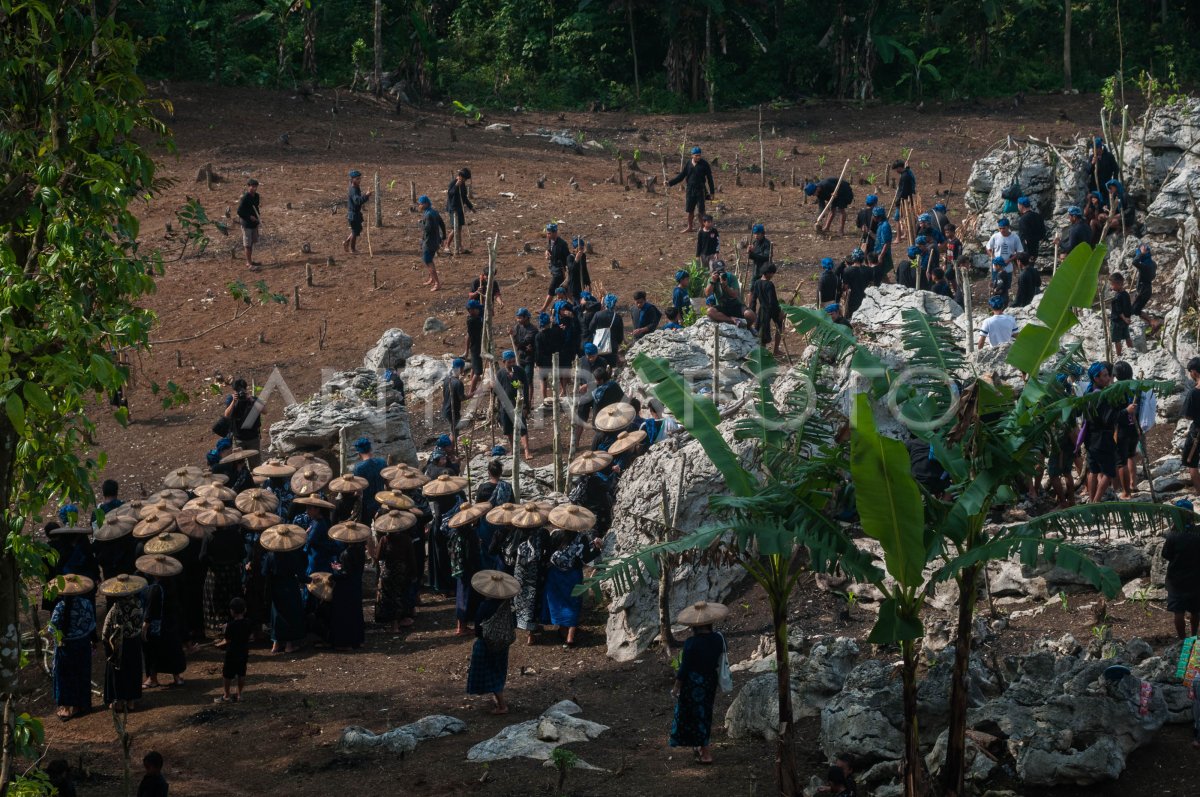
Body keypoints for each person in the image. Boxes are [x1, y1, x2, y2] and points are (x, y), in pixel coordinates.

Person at [669, 600, 729, 765]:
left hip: (693, 683)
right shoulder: (718, 639)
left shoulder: (691, 643)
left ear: (693, 625)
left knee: (694, 716)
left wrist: (676, 687)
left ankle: (705, 753)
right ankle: (701, 747)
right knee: (705, 714)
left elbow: (684, 668)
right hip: (710, 681)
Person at [466, 570, 519, 714]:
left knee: (489, 672)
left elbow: (478, 627)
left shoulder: (485, 606)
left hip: (486, 642)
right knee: (498, 670)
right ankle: (499, 700)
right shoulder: (507, 606)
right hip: (502, 643)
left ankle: (502, 706)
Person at [542, 528, 601, 648]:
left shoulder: (556, 535)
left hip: (555, 574)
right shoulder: (581, 537)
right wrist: (596, 548)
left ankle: (562, 630)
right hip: (573, 574)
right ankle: (570, 636)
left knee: (559, 602)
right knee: (574, 603)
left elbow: (547, 554)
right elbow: (586, 558)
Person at [48, 575, 96, 721]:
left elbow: (52, 629)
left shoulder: (60, 607)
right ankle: (81, 705)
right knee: (81, 674)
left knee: (65, 677)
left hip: (65, 646)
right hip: (82, 645)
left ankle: (67, 708)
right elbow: (91, 625)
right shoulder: (86, 604)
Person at [100, 575, 144, 712]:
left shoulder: (116, 608)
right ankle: (131, 701)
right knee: (133, 670)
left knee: (119, 673)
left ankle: (118, 701)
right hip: (135, 642)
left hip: (121, 644)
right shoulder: (138, 604)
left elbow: (106, 630)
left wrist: (106, 642)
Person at [1083, 361, 1120, 503]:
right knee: (1109, 472)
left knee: (1093, 470)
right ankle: (1096, 502)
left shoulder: (1089, 394)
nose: (1108, 378)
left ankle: (1091, 501)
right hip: (1102, 438)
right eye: (1104, 375)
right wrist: (1124, 411)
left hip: (1090, 438)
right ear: (1096, 379)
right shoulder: (1101, 396)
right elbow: (1108, 418)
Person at [1164, 499, 1200, 639]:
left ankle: (1181, 639)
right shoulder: (1198, 533)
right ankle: (1194, 637)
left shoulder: (1173, 535)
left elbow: (1166, 554)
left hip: (1176, 580)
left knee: (1178, 612)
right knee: (1195, 610)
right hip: (1196, 579)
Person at [1111, 361, 1141, 500]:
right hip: (1134, 427)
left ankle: (1126, 492)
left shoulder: (1116, 389)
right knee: (1131, 456)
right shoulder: (1136, 387)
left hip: (1122, 429)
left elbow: (1115, 413)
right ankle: (1133, 484)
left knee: (1121, 462)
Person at [668, 146, 715, 233]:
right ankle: (690, 227)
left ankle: (703, 227)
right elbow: (681, 176)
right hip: (690, 190)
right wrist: (669, 183)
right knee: (690, 210)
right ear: (692, 155)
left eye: (699, 155)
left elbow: (710, 179)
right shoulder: (688, 164)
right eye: (696, 155)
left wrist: (712, 192)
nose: (698, 157)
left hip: (700, 190)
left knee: (701, 211)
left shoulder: (704, 164)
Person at [495, 351, 532, 460]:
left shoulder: (520, 371)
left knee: (522, 428)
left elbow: (525, 389)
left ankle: (527, 450)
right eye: (509, 362)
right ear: (504, 362)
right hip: (505, 406)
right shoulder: (500, 374)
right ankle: (514, 449)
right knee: (508, 430)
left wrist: (526, 406)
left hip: (518, 404)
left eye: (513, 361)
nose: (512, 364)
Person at [217, 596, 251, 702]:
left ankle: (226, 695)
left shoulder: (230, 626)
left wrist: (223, 632)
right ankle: (240, 695)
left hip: (232, 652)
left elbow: (227, 640)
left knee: (227, 674)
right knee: (241, 673)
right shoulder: (248, 622)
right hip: (243, 651)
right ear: (244, 609)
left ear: (232, 611)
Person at [223, 377, 263, 454]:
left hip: (253, 438)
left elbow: (265, 411)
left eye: (242, 391)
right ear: (234, 391)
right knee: (239, 464)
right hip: (238, 439)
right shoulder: (231, 400)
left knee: (254, 463)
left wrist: (251, 399)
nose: (240, 393)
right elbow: (226, 415)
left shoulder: (252, 399)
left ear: (246, 389)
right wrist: (233, 402)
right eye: (237, 391)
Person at [750, 264, 783, 355]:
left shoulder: (757, 283)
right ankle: (776, 350)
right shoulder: (769, 284)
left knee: (762, 330)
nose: (772, 276)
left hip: (762, 310)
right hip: (771, 309)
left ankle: (763, 351)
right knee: (779, 327)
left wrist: (753, 312)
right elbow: (772, 301)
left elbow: (753, 299)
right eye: (772, 273)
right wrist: (779, 311)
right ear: (768, 273)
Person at [352, 437, 388, 522]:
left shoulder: (358, 468)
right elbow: (387, 483)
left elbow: (359, 491)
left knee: (366, 530)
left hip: (367, 505)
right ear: (371, 449)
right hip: (381, 501)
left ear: (358, 453)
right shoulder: (382, 462)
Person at [587, 293, 625, 369]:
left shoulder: (598, 314)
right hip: (612, 346)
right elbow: (620, 335)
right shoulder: (617, 317)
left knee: (600, 367)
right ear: (614, 304)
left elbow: (590, 328)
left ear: (605, 303)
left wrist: (598, 333)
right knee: (612, 368)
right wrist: (618, 343)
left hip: (600, 345)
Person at [1130, 243, 1162, 333]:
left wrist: (1142, 253)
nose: (1138, 254)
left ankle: (1154, 322)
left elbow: (1134, 262)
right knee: (1136, 310)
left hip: (1143, 290)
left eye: (1139, 253)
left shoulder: (1145, 266)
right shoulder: (1152, 264)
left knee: (1134, 310)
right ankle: (1152, 323)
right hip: (1147, 289)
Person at [417, 195, 446, 292]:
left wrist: (420, 223)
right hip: (435, 241)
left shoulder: (428, 215)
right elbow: (442, 223)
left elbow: (427, 229)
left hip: (429, 242)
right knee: (429, 260)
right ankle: (432, 279)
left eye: (420, 204)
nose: (419, 206)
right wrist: (443, 237)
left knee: (428, 261)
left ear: (425, 204)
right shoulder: (434, 212)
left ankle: (437, 283)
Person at [540, 223, 570, 311]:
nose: (547, 235)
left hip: (560, 272)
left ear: (555, 233)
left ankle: (543, 308)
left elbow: (567, 257)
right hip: (554, 270)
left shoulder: (562, 244)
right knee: (566, 292)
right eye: (547, 233)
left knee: (552, 289)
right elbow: (549, 248)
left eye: (549, 233)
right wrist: (547, 252)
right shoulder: (550, 240)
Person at [1181, 357, 1200, 495]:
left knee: (1191, 461)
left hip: (1197, 432)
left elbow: (1187, 415)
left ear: (1194, 372)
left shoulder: (1194, 392)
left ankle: (1199, 492)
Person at [533, 313, 564, 398]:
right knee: (558, 378)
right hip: (556, 359)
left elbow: (538, 351)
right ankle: (562, 393)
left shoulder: (538, 336)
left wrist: (537, 363)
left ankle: (545, 398)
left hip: (544, 361)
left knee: (543, 381)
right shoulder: (556, 331)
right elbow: (561, 342)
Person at [445, 168, 473, 253]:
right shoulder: (453, 183)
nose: (465, 180)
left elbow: (464, 197)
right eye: (464, 178)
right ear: (460, 176)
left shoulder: (463, 184)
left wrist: (471, 207)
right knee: (455, 228)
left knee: (459, 228)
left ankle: (460, 247)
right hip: (453, 209)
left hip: (459, 208)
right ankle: (447, 246)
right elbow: (450, 194)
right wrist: (456, 186)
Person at [343, 170, 371, 254]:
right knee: (355, 232)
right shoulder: (353, 190)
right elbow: (357, 201)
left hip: (356, 213)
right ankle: (353, 249)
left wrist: (363, 205)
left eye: (360, 178)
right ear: (352, 180)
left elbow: (359, 200)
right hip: (353, 215)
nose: (359, 180)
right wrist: (366, 196)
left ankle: (346, 242)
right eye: (357, 179)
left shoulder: (356, 188)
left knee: (357, 230)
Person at [236, 178, 261, 271]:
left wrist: (258, 219)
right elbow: (239, 211)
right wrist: (249, 217)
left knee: (252, 242)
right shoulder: (245, 198)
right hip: (246, 223)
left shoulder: (257, 196)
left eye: (255, 187)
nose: (254, 188)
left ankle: (250, 260)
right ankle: (249, 264)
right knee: (247, 244)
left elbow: (256, 208)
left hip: (254, 223)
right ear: (249, 187)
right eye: (252, 187)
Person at [1106, 272, 1133, 357]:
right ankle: (1132, 351)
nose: (1111, 286)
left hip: (1117, 321)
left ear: (1118, 284)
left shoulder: (1117, 297)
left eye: (1112, 284)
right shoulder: (1126, 294)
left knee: (1117, 340)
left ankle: (1119, 355)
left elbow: (1118, 310)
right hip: (1125, 321)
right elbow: (1128, 307)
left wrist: (1124, 318)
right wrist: (1127, 318)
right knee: (1127, 336)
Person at [442, 358, 467, 446]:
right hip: (453, 411)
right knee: (454, 433)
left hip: (446, 409)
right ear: (460, 369)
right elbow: (462, 398)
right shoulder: (458, 383)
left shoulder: (446, 380)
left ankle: (450, 450)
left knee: (452, 431)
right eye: (463, 368)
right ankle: (450, 451)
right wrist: (473, 394)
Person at [841, 250, 872, 320]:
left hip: (853, 298)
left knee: (852, 318)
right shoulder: (869, 270)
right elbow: (871, 284)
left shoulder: (847, 270)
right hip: (866, 297)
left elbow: (845, 287)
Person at [464, 299, 485, 396]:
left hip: (474, 347)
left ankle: (472, 385)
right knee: (478, 372)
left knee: (473, 366)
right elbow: (483, 322)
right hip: (476, 348)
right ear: (471, 310)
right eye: (476, 309)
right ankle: (471, 391)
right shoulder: (473, 321)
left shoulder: (472, 317)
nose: (478, 310)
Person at [511, 307, 537, 386]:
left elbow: (523, 342)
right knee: (518, 380)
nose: (518, 320)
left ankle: (529, 398)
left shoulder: (532, 330)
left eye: (520, 318)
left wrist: (514, 336)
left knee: (528, 380)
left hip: (529, 358)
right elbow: (517, 343)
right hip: (519, 357)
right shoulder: (517, 327)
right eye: (517, 318)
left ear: (526, 317)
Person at [1015, 197, 1045, 262]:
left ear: (1021, 206)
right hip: (1035, 249)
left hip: (1026, 251)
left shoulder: (1023, 219)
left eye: (1018, 204)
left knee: (1025, 269)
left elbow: (1026, 237)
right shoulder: (1038, 216)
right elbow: (1043, 233)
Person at [871, 206, 892, 285]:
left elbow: (886, 243)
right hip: (878, 252)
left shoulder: (885, 226)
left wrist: (881, 256)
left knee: (882, 273)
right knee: (882, 274)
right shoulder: (880, 224)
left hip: (882, 253)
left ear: (877, 216)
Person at [567, 236, 591, 301]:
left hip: (582, 283)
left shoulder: (583, 256)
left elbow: (585, 270)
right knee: (577, 303)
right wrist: (576, 260)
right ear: (575, 249)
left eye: (583, 248)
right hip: (574, 284)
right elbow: (571, 269)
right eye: (580, 248)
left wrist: (588, 283)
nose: (582, 250)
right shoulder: (570, 257)